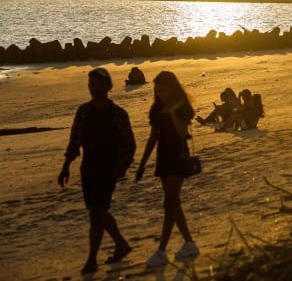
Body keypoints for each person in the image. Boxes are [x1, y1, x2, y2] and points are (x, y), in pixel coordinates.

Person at [58, 67, 135, 274]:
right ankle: (120, 244)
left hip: (108, 170)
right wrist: (66, 166)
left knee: (96, 212)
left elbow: (129, 144)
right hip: (88, 168)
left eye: (100, 85)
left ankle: (92, 259)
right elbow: (75, 141)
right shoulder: (83, 112)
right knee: (97, 211)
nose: (95, 89)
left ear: (109, 87)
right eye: (92, 85)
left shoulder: (118, 114)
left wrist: (122, 166)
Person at [135, 71, 200, 267]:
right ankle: (189, 243)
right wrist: (142, 164)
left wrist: (172, 112)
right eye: (157, 90)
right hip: (163, 157)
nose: (160, 93)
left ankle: (161, 250)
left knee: (169, 203)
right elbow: (153, 137)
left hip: (178, 156)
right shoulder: (156, 108)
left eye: (163, 89)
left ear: (172, 88)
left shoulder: (182, 107)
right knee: (174, 204)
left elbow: (182, 133)